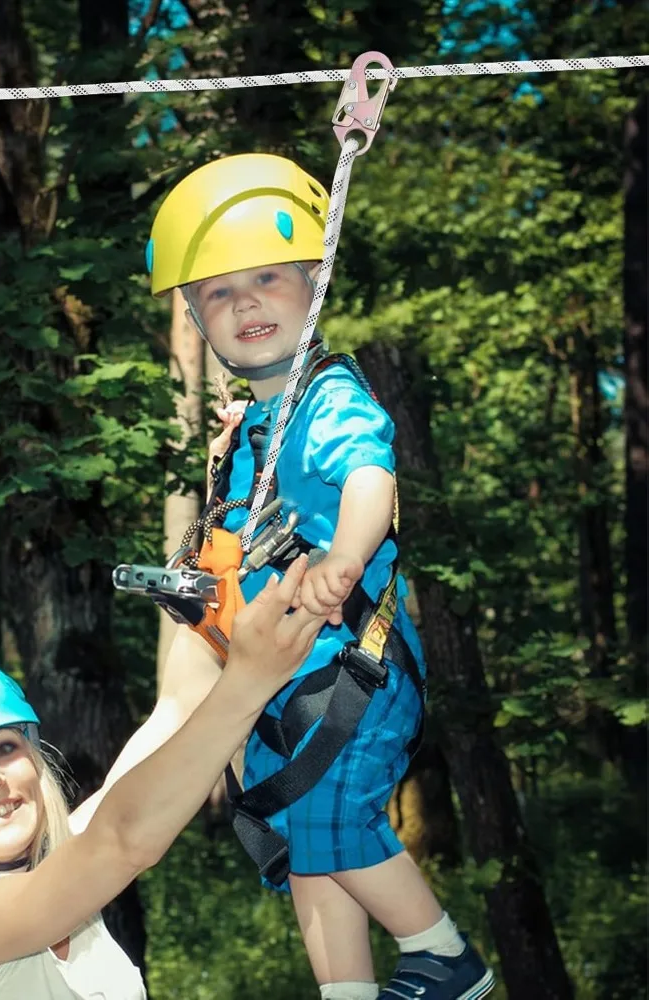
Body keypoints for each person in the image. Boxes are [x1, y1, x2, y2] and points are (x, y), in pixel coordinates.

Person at [104, 153, 496, 1000]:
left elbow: (368, 477)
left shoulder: (329, 398)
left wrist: (346, 556)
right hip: (288, 682)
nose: (244, 301)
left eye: (268, 278)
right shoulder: (253, 428)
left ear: (314, 282)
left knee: (333, 820)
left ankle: (443, 957)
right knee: (302, 838)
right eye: (216, 291)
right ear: (195, 317)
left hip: (354, 669)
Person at [0, 555, 322, 1000]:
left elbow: (176, 712)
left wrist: (208, 609)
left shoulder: (63, 862)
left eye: (5, 748)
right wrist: (251, 680)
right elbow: (123, 839)